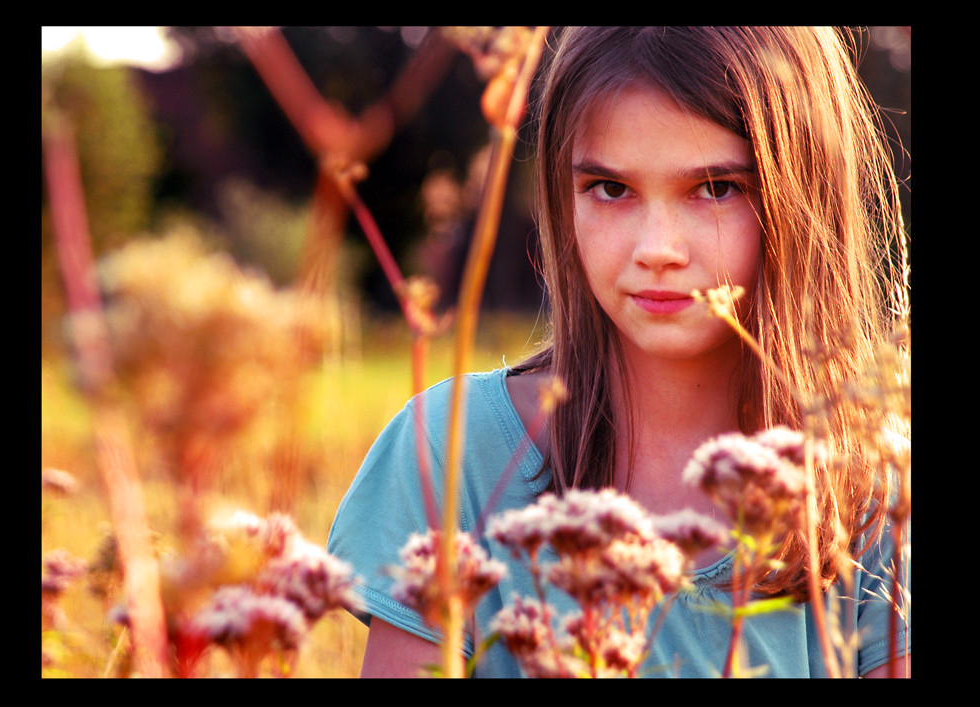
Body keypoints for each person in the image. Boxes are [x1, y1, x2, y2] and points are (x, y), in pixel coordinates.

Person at [327, 26, 910, 678]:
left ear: (804, 193)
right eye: (610, 187)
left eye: (716, 187)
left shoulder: (877, 489)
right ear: (560, 192)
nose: (657, 248)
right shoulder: (451, 452)